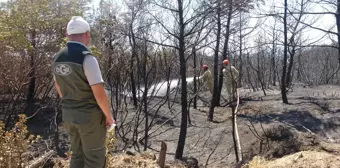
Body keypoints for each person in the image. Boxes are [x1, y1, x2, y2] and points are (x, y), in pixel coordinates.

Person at [51, 16, 115, 168]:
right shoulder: (87, 58)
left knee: (77, 156)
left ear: (67, 35)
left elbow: (59, 88)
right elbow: (99, 93)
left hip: (68, 116)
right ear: (87, 34)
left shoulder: (56, 58)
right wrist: (108, 117)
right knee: (94, 159)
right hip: (89, 119)